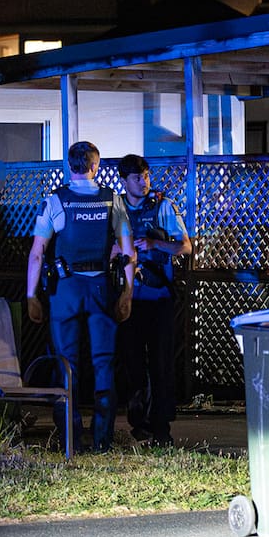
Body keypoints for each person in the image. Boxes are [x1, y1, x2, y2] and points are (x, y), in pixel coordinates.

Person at [26, 141, 135, 453]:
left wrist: (31, 295)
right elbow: (128, 252)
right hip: (101, 287)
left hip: (66, 289)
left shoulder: (55, 201)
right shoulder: (112, 200)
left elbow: (37, 254)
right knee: (104, 363)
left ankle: (70, 440)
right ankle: (102, 438)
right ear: (95, 166)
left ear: (69, 166)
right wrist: (127, 293)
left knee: (66, 363)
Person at [115, 154, 192, 447]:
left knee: (161, 363)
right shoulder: (116, 208)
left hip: (159, 296)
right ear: (124, 180)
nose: (143, 182)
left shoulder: (162, 206)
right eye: (137, 177)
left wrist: (154, 243)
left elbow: (185, 247)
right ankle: (139, 426)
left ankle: (162, 428)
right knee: (133, 363)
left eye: (146, 176)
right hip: (128, 298)